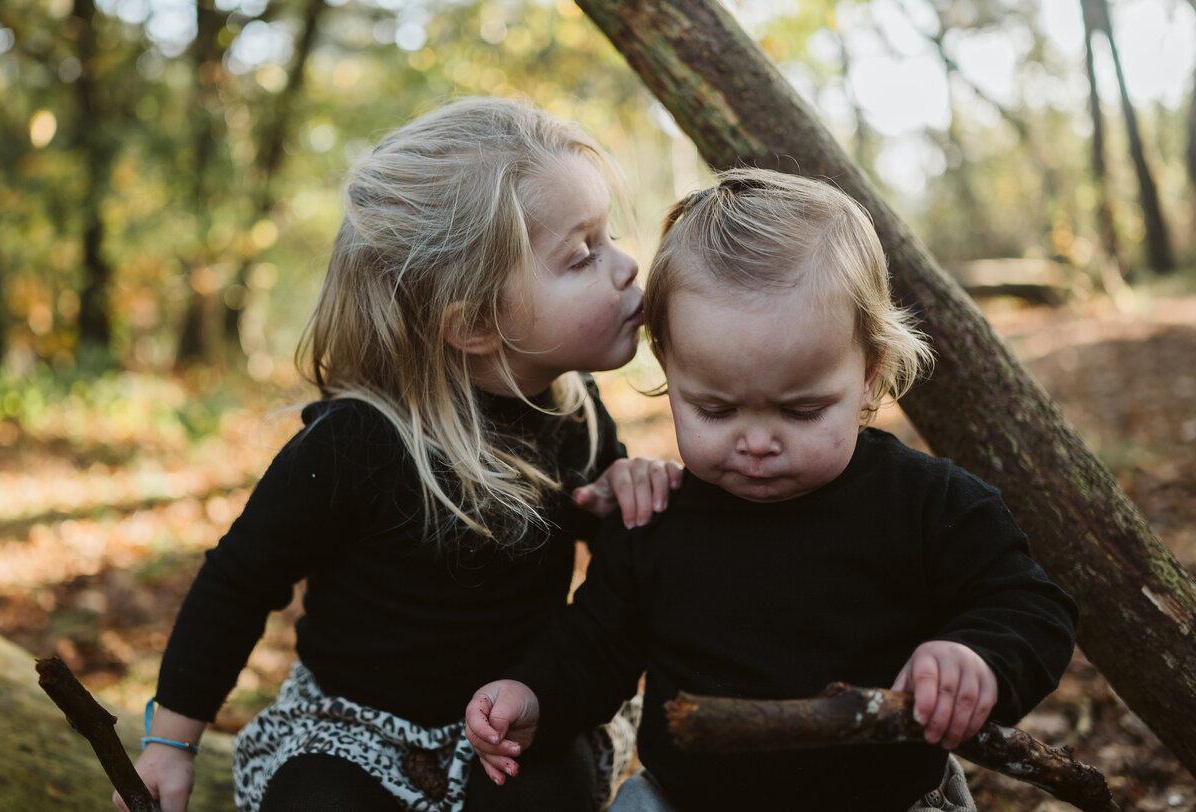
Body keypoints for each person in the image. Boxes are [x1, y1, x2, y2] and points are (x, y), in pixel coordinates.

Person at [113, 96, 683, 812]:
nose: (628, 267)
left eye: (610, 238)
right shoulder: (359, 442)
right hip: (355, 728)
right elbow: (238, 582)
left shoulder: (574, 414)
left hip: (515, 720)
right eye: (581, 256)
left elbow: (619, 582)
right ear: (474, 322)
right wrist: (171, 742)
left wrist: (625, 497)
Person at [465, 168, 1079, 811]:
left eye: (802, 411)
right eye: (716, 410)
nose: (757, 442)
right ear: (669, 368)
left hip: (886, 800)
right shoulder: (658, 520)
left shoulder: (926, 505)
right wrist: (534, 696)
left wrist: (974, 657)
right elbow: (594, 646)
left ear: (868, 376)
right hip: (688, 799)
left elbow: (1031, 606)